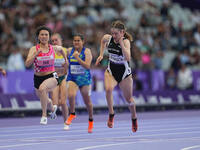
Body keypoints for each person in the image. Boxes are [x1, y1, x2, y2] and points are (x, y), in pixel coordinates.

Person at [95, 20, 138, 132]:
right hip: (111, 70)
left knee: (129, 99)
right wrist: (100, 54)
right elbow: (102, 41)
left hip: (124, 73)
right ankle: (111, 114)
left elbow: (128, 58)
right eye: (112, 33)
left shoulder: (126, 42)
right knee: (108, 89)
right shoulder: (108, 38)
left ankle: (134, 118)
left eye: (116, 34)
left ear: (122, 32)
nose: (114, 36)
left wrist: (122, 44)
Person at [25, 26, 67, 125]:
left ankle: (44, 115)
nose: (44, 36)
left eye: (46, 35)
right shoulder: (33, 49)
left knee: (43, 89)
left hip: (52, 76)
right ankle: (52, 108)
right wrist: (35, 54)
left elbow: (61, 50)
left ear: (49, 37)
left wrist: (66, 61)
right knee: (45, 98)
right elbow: (27, 64)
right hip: (38, 77)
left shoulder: (53, 48)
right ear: (38, 37)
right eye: (42, 35)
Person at [64, 34, 93, 133]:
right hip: (72, 77)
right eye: (74, 40)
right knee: (71, 95)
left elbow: (88, 66)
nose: (76, 42)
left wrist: (78, 58)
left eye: (78, 41)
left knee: (87, 101)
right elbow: (60, 51)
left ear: (82, 42)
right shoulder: (69, 51)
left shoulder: (87, 51)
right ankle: (72, 113)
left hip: (84, 78)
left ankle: (90, 120)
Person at [51, 33, 69, 129]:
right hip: (54, 78)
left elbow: (69, 66)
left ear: (61, 40)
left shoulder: (66, 51)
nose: (54, 42)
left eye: (56, 40)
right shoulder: (50, 52)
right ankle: (53, 110)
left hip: (64, 77)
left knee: (63, 102)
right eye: (52, 41)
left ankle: (66, 122)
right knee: (55, 103)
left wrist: (66, 64)